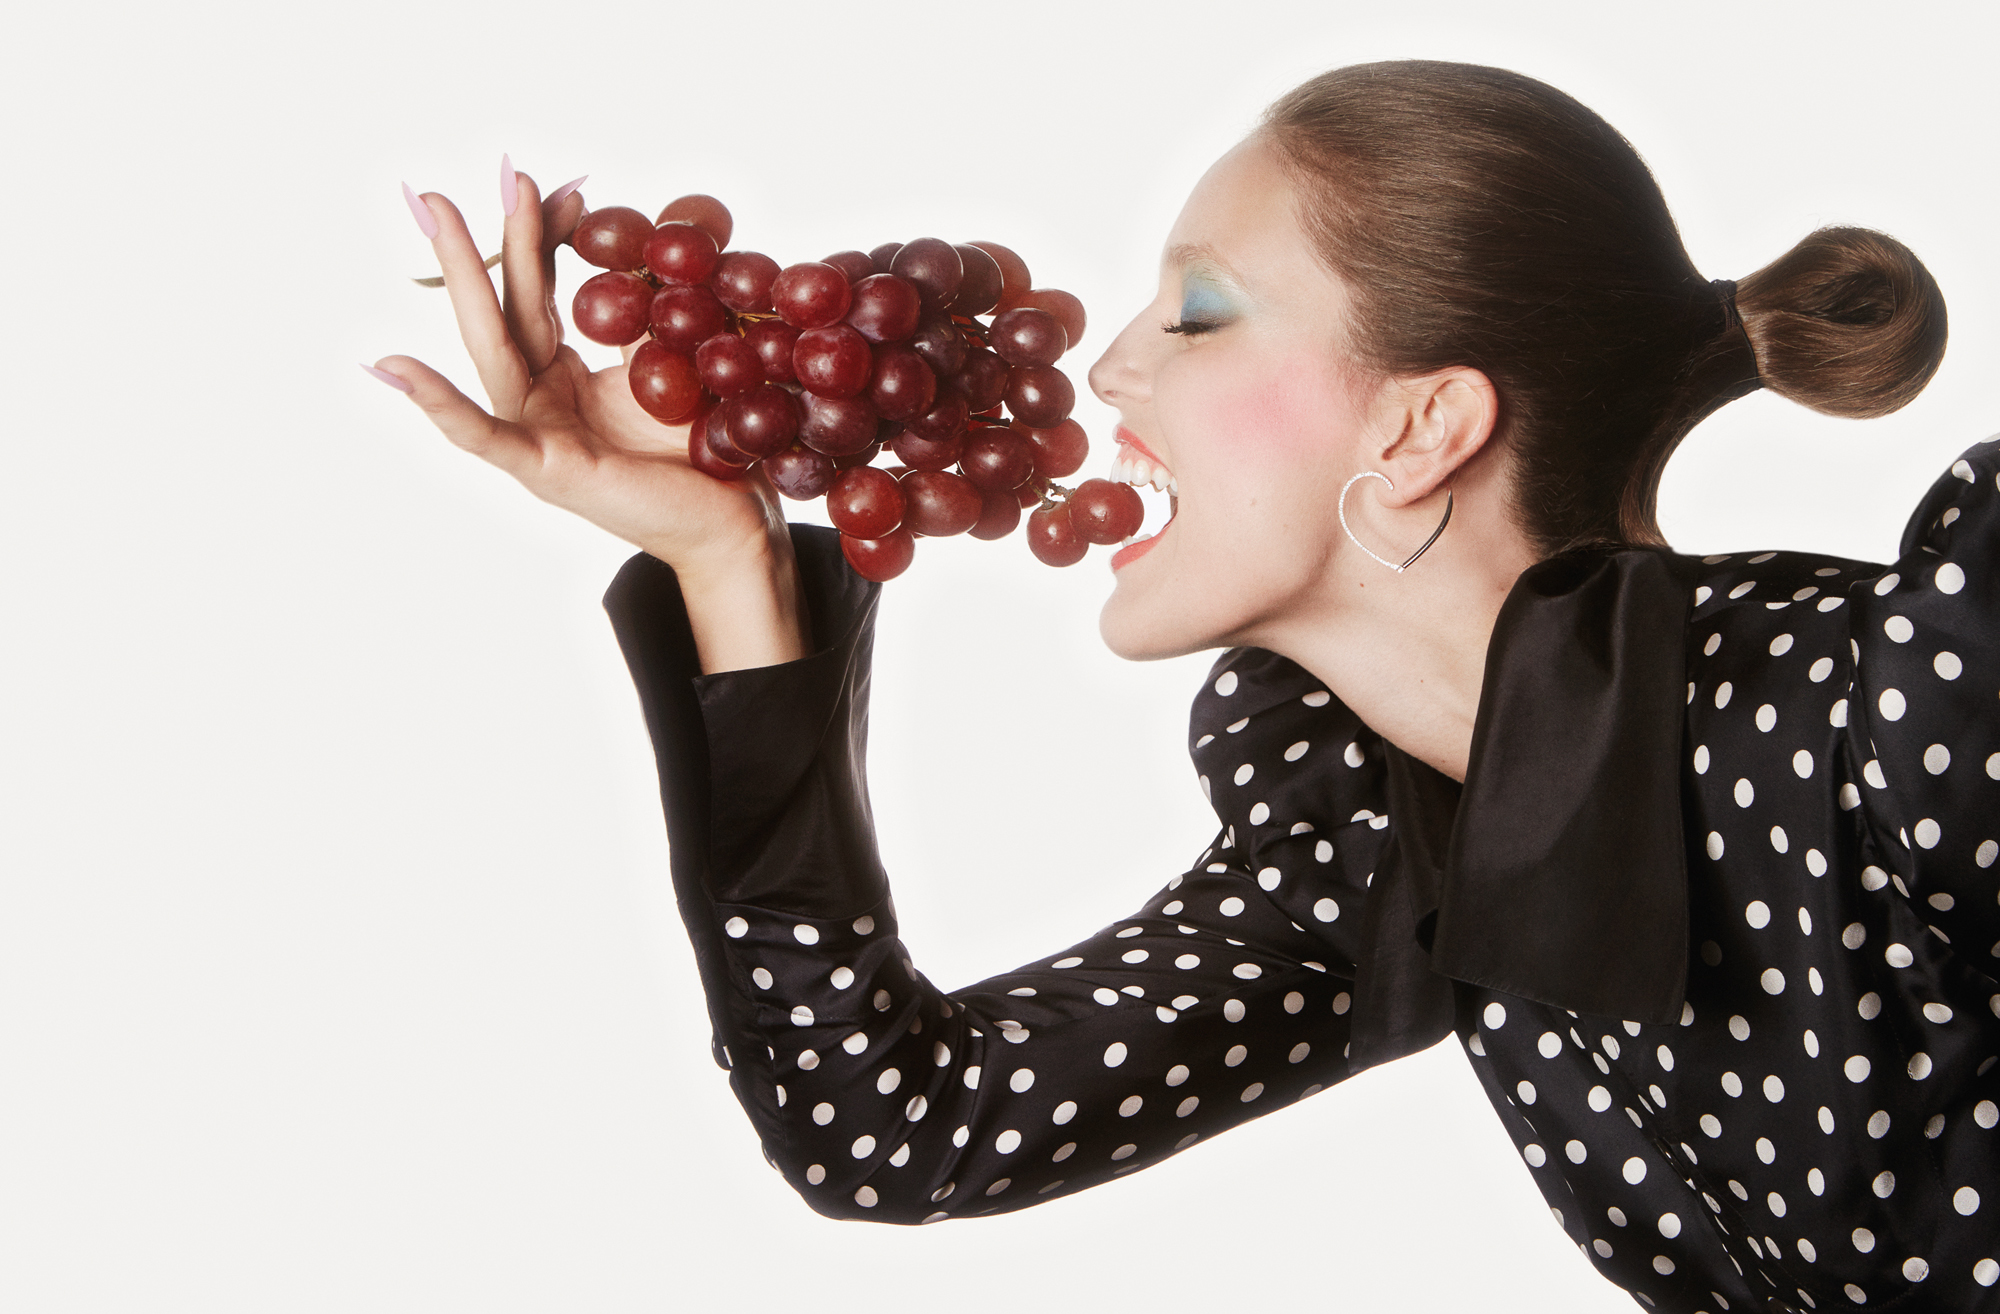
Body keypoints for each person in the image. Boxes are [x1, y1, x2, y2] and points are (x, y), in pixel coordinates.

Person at [369, 61, 1997, 1314]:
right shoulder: (1387, 829)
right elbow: (897, 1125)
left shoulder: (1915, 696)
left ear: (1418, 427)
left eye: (1199, 313)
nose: (1106, 369)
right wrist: (727, 557)